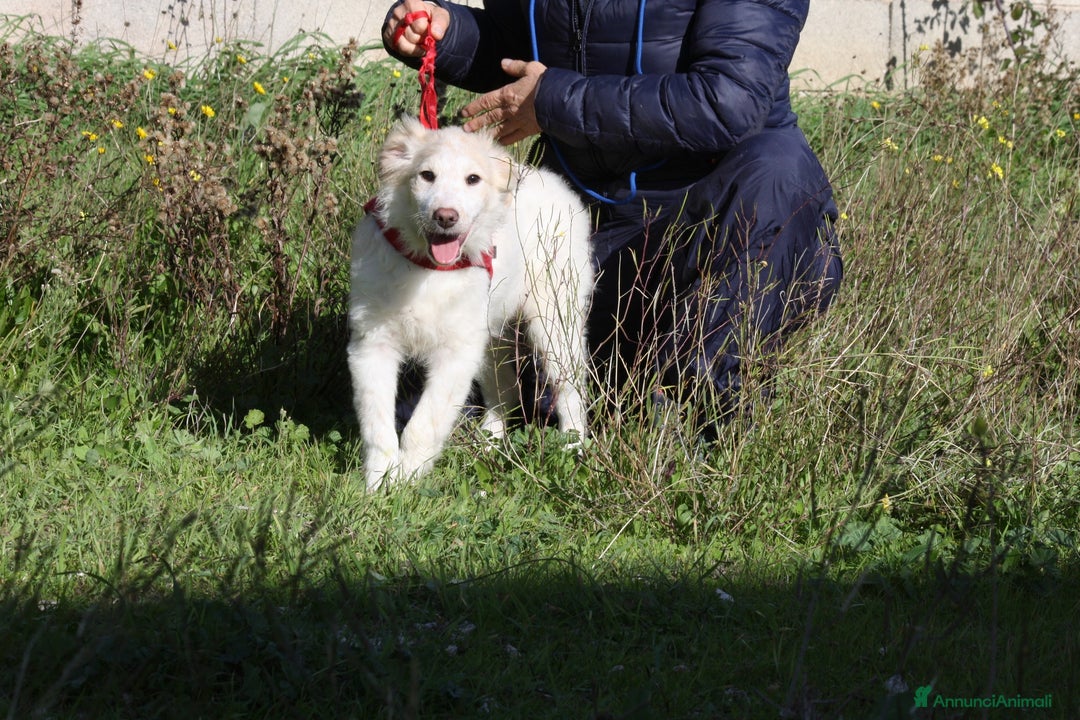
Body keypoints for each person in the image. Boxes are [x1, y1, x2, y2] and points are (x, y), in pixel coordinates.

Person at [381, 0, 843, 436]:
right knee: (535, 382)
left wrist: (554, 100)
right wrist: (448, 31)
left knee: (777, 182)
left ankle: (700, 402)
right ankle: (614, 385)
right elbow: (523, 43)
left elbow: (729, 98)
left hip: (717, 199)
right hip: (598, 204)